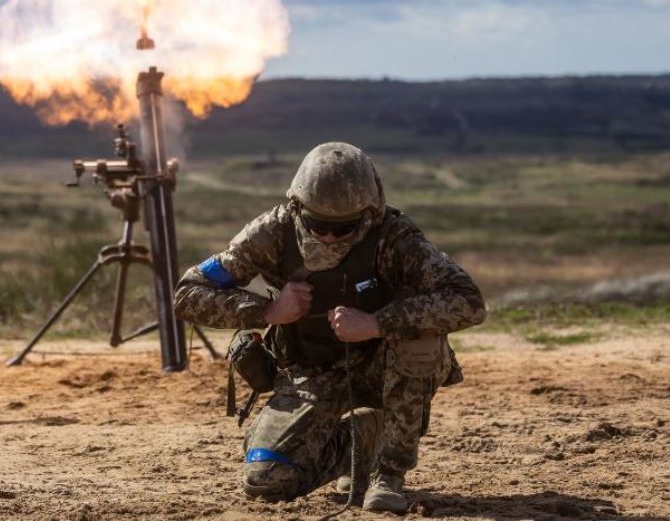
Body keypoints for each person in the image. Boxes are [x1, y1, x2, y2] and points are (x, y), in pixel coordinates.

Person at [174, 142, 486, 512]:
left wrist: (376, 323)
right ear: (296, 208)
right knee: (266, 479)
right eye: (318, 225)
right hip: (308, 372)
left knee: (420, 343)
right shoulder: (270, 233)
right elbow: (187, 294)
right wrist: (268, 311)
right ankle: (362, 442)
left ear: (369, 214)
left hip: (379, 366)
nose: (329, 238)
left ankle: (388, 473)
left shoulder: (394, 237)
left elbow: (467, 300)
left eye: (344, 228)